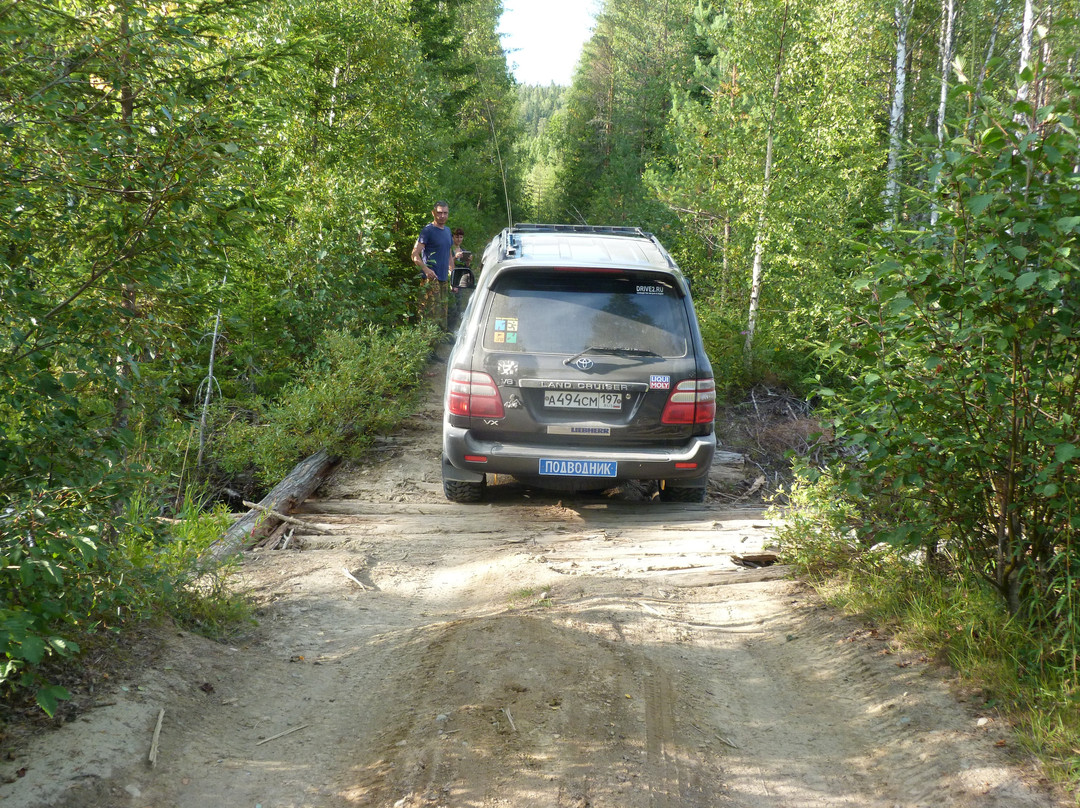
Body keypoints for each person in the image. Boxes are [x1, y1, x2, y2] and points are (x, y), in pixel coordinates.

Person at [412, 201, 453, 331]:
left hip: (443, 279)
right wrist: (425, 269)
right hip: (430, 279)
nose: (442, 216)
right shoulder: (427, 231)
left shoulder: (447, 231)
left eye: (445, 213)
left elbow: (449, 253)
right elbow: (414, 255)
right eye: (439, 213)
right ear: (433, 213)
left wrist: (453, 272)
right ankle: (429, 346)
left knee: (442, 311)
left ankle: (442, 338)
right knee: (430, 314)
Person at [448, 227, 475, 331]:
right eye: (456, 237)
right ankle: (448, 330)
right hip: (450, 278)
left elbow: (466, 267)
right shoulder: (449, 250)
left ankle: (455, 328)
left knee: (459, 305)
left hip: (461, 280)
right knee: (452, 306)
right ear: (452, 237)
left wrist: (468, 261)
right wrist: (455, 257)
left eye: (461, 237)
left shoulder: (463, 250)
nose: (459, 239)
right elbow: (447, 263)